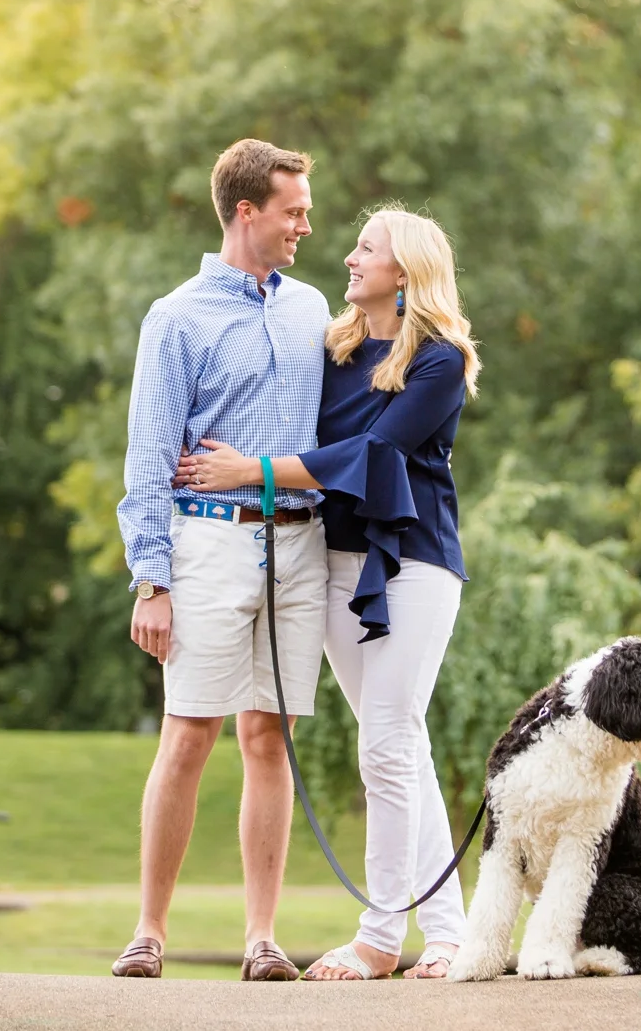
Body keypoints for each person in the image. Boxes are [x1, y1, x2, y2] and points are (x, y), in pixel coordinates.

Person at [178, 207, 480, 981]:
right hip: (334, 561)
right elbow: (278, 403)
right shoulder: (337, 348)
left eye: (366, 248)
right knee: (400, 742)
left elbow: (373, 452)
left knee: (383, 743)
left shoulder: (440, 360)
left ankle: (380, 935)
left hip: (411, 565)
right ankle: (450, 934)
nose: (347, 257)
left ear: (405, 271)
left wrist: (255, 471)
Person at [110, 139, 330, 983]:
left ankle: (263, 937)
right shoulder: (177, 317)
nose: (304, 225)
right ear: (248, 212)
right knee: (189, 732)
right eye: (293, 211)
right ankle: (149, 930)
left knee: (268, 737)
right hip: (207, 540)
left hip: (300, 542)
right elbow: (147, 456)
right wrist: (152, 579)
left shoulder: (314, 309)